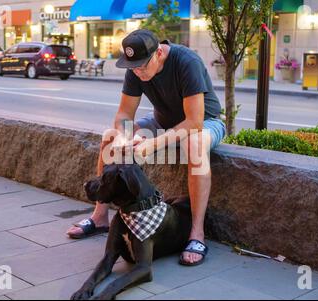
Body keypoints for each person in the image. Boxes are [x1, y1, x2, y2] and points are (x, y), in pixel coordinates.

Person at [66, 29, 225, 266]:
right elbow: (124, 114)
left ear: (158, 53)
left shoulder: (186, 62)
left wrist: (152, 145)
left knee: (195, 143)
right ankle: (100, 217)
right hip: (161, 122)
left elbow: (194, 122)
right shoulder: (136, 68)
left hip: (206, 123)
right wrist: (123, 137)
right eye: (133, 67)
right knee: (110, 137)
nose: (138, 72)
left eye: (142, 66)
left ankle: (196, 234)